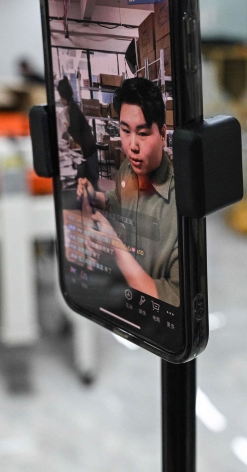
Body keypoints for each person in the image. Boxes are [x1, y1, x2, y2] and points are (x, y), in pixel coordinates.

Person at [76, 77, 179, 307]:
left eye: (142, 134)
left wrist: (112, 244)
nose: (132, 145)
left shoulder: (177, 206)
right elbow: (118, 200)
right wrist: (98, 198)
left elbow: (169, 300)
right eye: (125, 131)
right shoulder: (129, 168)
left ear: (162, 135)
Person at [56, 77, 99, 188]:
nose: (60, 100)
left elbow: (77, 134)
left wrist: (68, 128)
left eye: (61, 97)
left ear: (63, 96)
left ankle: (96, 201)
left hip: (89, 148)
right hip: (89, 147)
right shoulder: (71, 107)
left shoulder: (72, 110)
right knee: (91, 179)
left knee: (92, 181)